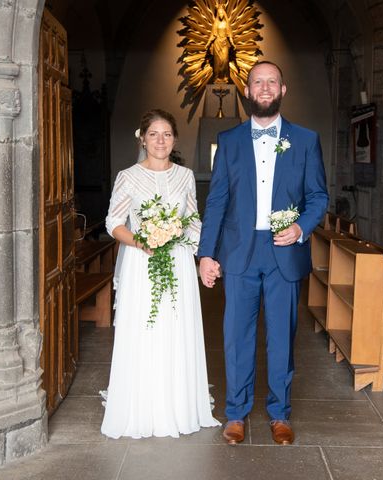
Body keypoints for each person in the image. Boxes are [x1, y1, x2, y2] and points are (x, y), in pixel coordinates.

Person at [198, 61, 328, 445]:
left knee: (281, 338)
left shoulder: (305, 140)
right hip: (238, 252)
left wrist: (301, 227)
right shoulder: (230, 140)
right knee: (236, 336)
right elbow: (217, 200)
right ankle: (236, 414)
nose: (266, 88)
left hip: (283, 254)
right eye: (258, 82)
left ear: (283, 90)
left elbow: (318, 196)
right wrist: (207, 253)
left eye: (272, 82)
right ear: (248, 91)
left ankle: (279, 413)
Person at [101, 109, 220, 439]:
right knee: (146, 328)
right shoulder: (128, 176)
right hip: (142, 264)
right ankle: (143, 403)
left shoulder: (184, 176)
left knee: (176, 328)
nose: (160, 140)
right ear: (142, 138)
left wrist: (201, 257)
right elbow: (114, 223)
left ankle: (179, 401)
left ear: (175, 139)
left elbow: (193, 221)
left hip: (179, 263)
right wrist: (141, 241)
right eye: (153, 134)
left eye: (167, 134)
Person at [205, 2, 235, 83]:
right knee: (217, 62)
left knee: (225, 61)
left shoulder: (226, 24)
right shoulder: (216, 24)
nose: (221, 14)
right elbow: (212, 35)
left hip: (224, 44)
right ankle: (216, 78)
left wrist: (232, 43)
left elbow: (229, 35)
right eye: (219, 13)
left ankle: (225, 77)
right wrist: (208, 44)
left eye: (222, 13)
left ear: (224, 13)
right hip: (217, 44)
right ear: (218, 14)